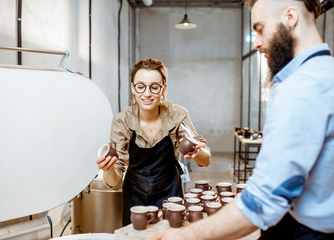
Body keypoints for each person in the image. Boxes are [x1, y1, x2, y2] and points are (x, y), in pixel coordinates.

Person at [151, 0, 334, 239]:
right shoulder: (326, 72)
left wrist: (185, 235)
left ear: (291, 17)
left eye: (260, 28)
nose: (257, 42)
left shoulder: (302, 87)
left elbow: (263, 202)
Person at [96, 58, 211, 226]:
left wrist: (196, 152)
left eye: (154, 87)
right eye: (140, 86)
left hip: (170, 195)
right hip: (135, 198)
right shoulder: (122, 121)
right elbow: (115, 182)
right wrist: (109, 169)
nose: (147, 93)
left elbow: (206, 160)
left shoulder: (177, 115)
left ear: (163, 89)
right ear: (132, 88)